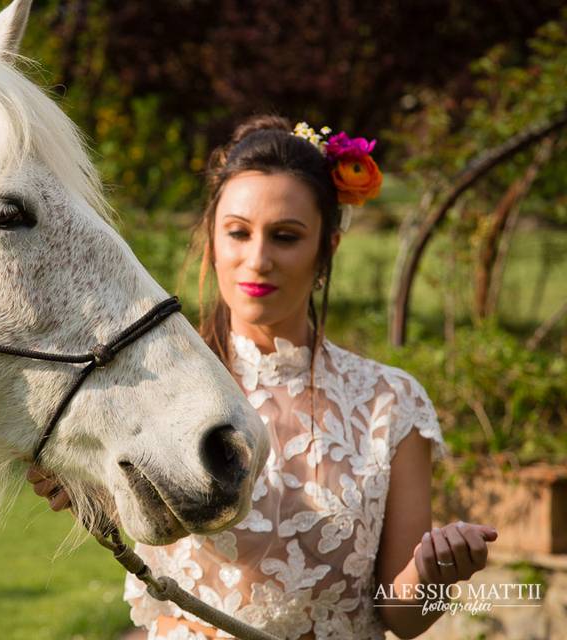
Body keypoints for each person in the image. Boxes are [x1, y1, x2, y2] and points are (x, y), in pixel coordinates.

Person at [26, 115, 497, 639]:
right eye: (238, 233)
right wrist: (79, 484)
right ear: (212, 239)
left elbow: (404, 617)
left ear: (327, 249)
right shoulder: (150, 388)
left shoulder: (391, 402)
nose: (258, 259)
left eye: (286, 237)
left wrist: (434, 575)